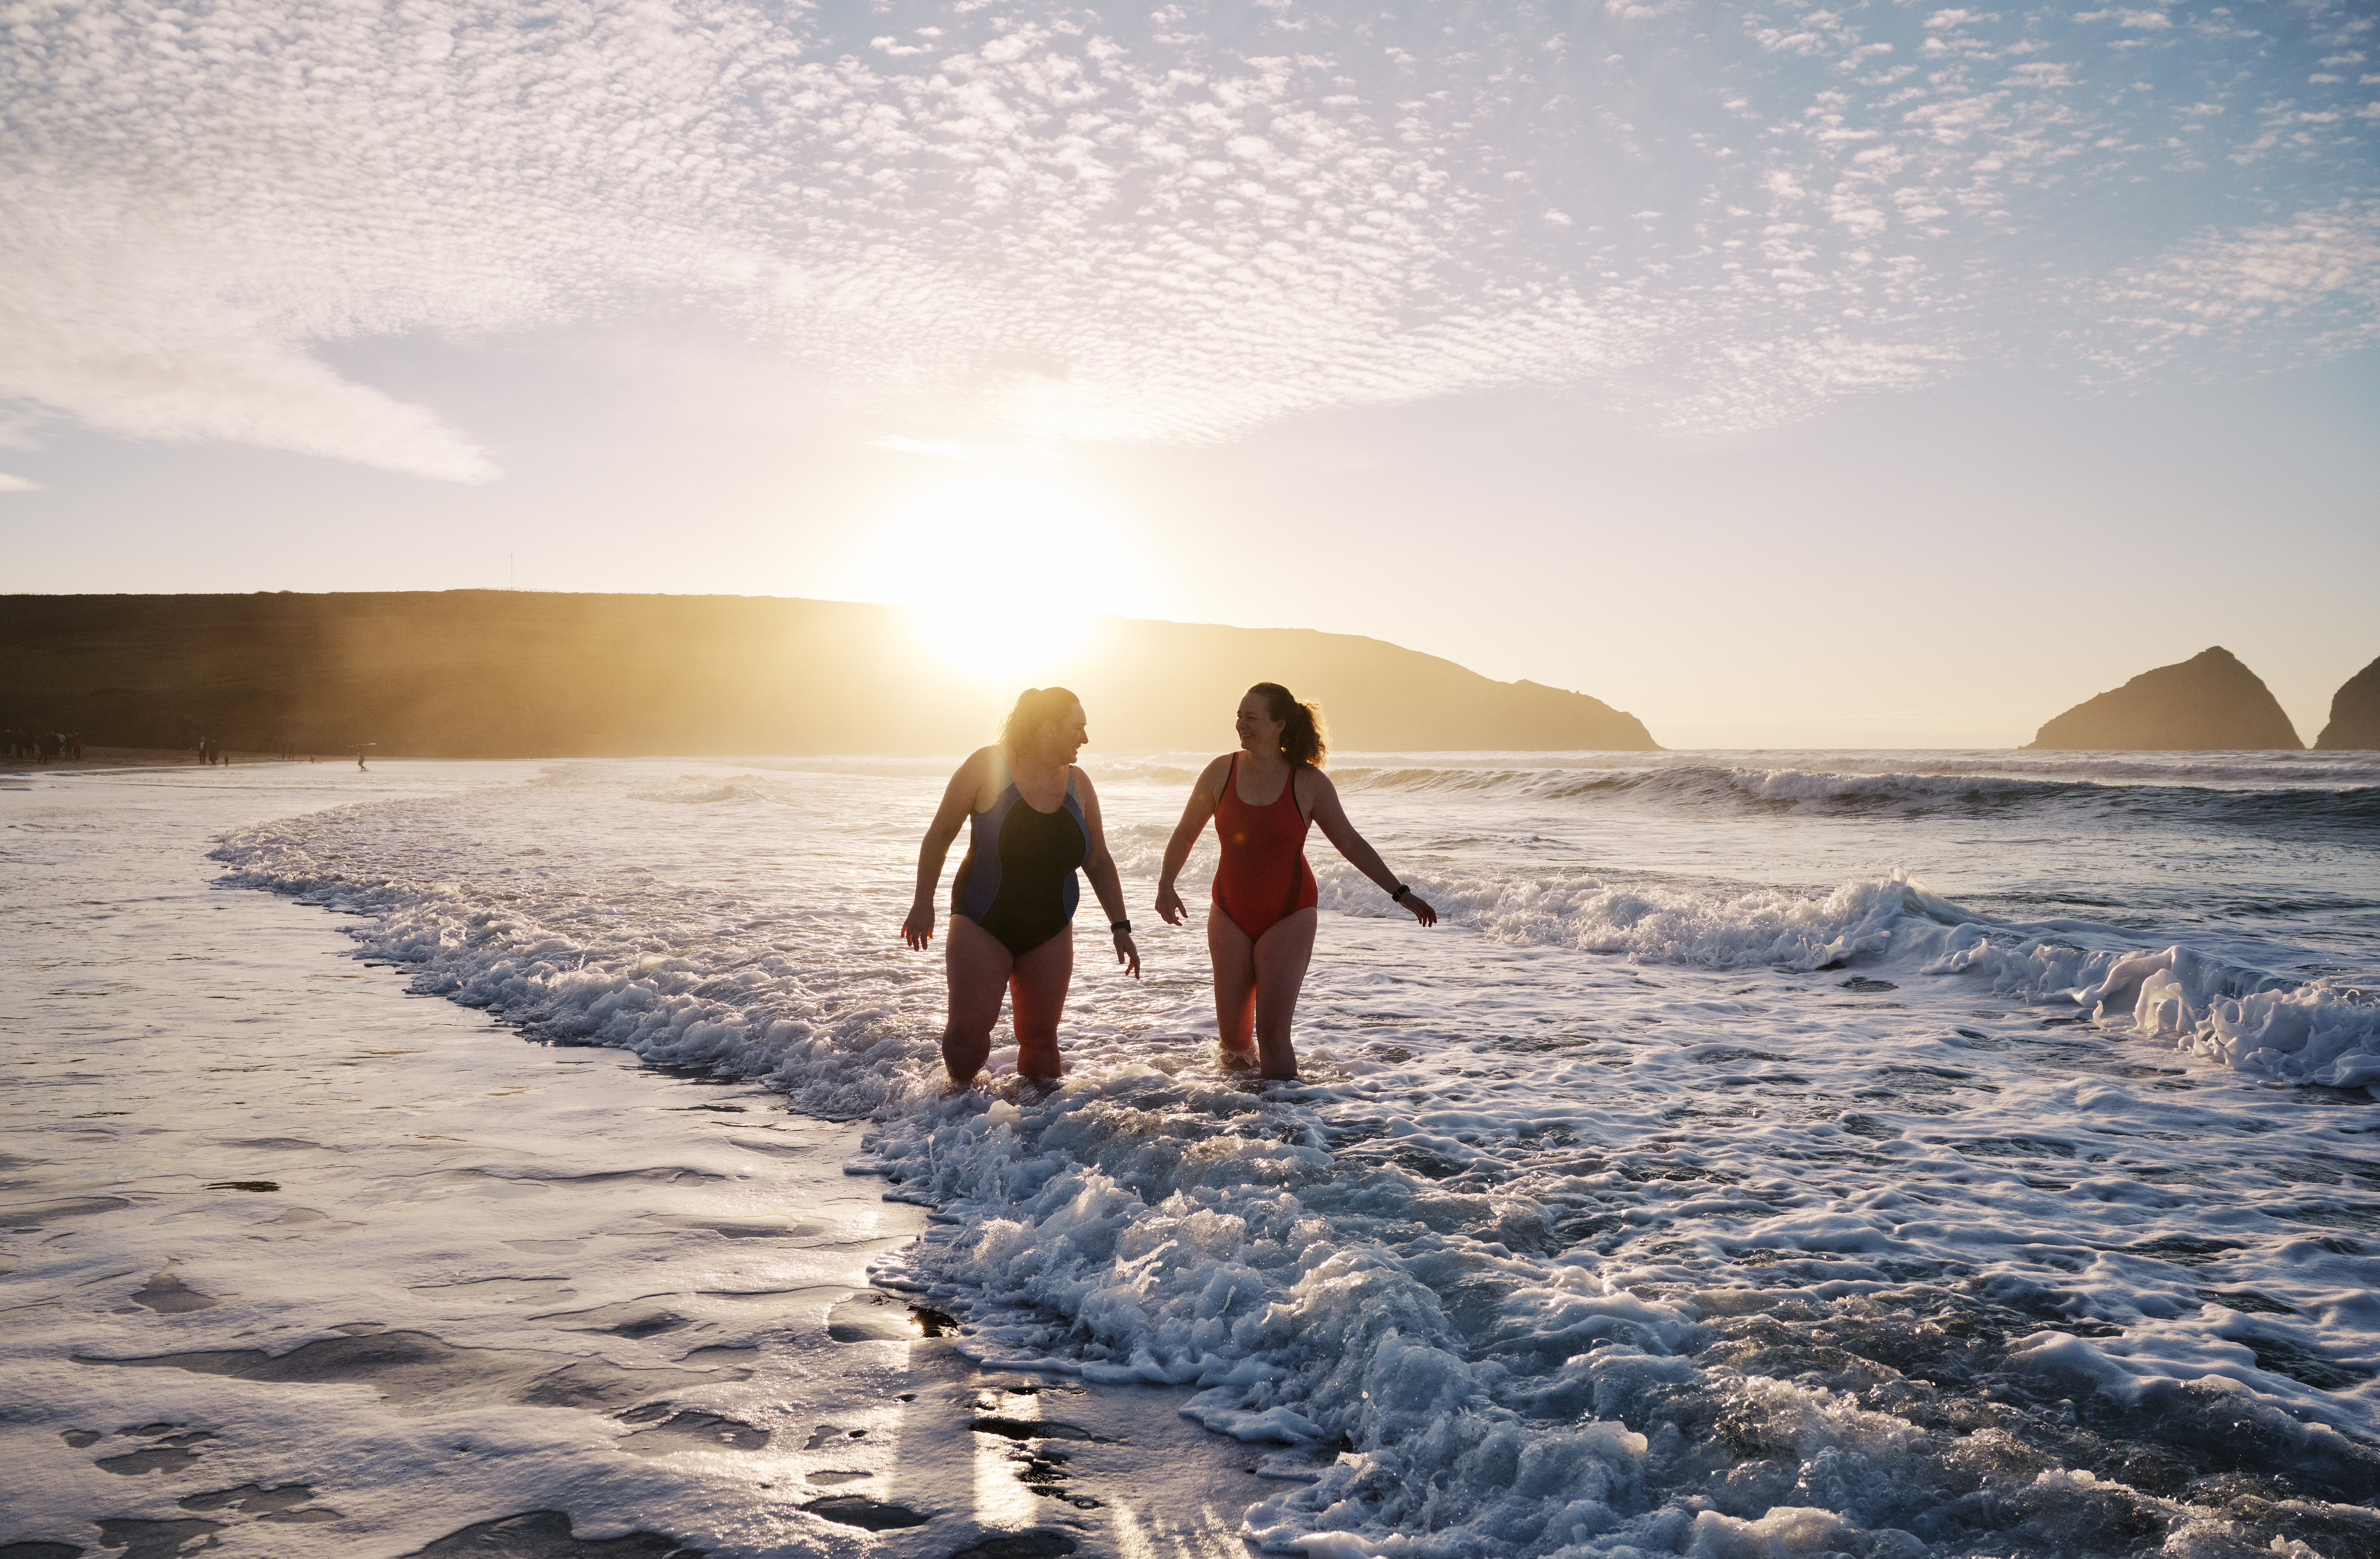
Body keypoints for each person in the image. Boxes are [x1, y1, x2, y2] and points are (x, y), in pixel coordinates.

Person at [1156, 683, 1437, 1079]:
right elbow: (1186, 832)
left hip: (1289, 914)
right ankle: (1238, 1121)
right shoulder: (1221, 771)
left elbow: (1351, 843)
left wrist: (1401, 892)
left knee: (1272, 1035)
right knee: (1234, 1043)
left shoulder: (1309, 784)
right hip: (1229, 912)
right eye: (1239, 716)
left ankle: (1288, 1128)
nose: (1241, 725)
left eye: (1251, 718)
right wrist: (1166, 883)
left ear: (1279, 725)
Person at [903, 687, 1140, 1087]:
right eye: (1077, 727)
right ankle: (955, 1123)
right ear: (1047, 727)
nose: (1085, 738)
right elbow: (940, 834)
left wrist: (1121, 925)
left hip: (1050, 925)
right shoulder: (988, 766)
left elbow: (1097, 860)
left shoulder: (1079, 784)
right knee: (965, 1041)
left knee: (1042, 1041)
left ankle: (1038, 1132)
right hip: (983, 919)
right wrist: (922, 903)